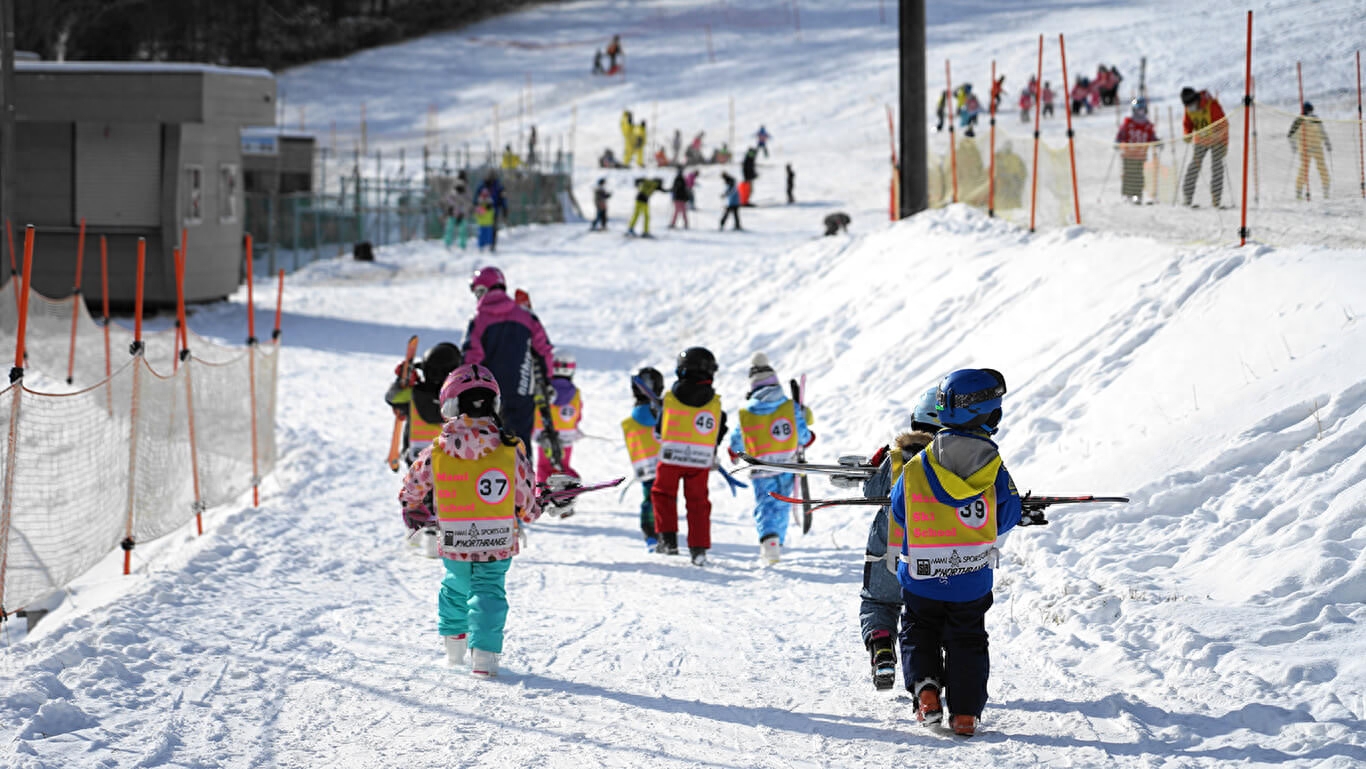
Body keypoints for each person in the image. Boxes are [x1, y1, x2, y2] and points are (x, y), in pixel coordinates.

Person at [892, 368, 1023, 737]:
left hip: (921, 578)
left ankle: (926, 690)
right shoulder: (994, 468)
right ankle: (965, 714)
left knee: (919, 631)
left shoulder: (917, 466)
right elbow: (1008, 515)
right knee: (967, 638)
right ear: (989, 416)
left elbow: (899, 510)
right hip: (970, 580)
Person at [398, 363, 542, 679]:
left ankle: (454, 647)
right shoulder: (510, 447)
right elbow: (526, 497)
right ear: (495, 403)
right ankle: (485, 657)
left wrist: (415, 510)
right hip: (497, 539)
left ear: (449, 405)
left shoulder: (435, 451)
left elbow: (411, 488)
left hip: (455, 539)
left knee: (455, 586)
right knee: (489, 590)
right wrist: (532, 511)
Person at [859, 388, 941, 691]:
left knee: (878, 602)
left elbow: (871, 493)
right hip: (938, 553)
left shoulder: (895, 458)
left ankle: (881, 649)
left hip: (890, 549)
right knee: (931, 614)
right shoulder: (957, 462)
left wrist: (875, 465)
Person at [726, 353, 813, 564]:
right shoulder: (789, 407)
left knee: (765, 505)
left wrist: (733, 452)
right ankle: (778, 541)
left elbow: (738, 439)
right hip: (787, 463)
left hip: (760, 467)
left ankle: (769, 541)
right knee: (783, 504)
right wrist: (809, 438)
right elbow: (802, 435)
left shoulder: (745, 412)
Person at [461, 266, 555, 450]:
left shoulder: (479, 320)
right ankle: (523, 476)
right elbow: (544, 351)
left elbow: (471, 359)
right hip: (522, 391)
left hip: (489, 396)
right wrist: (548, 380)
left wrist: (465, 390)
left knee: (489, 446)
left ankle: (492, 477)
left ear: (482, 290)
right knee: (520, 443)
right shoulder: (526, 317)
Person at [385, 342, 464, 557]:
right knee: (443, 494)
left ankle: (415, 528)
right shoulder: (457, 396)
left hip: (415, 452)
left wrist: (401, 382)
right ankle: (433, 535)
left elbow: (392, 399)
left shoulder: (412, 393)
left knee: (418, 490)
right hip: (447, 453)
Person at [652, 346, 726, 566]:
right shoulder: (715, 404)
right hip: (700, 461)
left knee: (663, 494)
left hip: (670, 459)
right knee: (698, 503)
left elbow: (658, 431)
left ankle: (668, 540)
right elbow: (719, 430)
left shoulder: (669, 399)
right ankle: (699, 548)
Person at [622, 367, 665, 550]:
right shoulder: (663, 413)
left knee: (649, 497)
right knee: (665, 497)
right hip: (665, 462)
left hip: (645, 465)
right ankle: (664, 532)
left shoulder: (633, 418)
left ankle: (650, 533)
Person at [533, 353, 582, 485]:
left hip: (543, 432)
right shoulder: (576, 393)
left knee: (544, 467)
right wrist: (575, 428)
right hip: (566, 435)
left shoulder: (543, 389)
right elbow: (578, 415)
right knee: (562, 465)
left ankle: (543, 495)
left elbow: (534, 408)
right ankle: (566, 490)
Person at [1180, 86, 1229, 207]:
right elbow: (1188, 124)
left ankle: (1216, 200)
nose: (1190, 107)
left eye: (1191, 104)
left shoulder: (1211, 105)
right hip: (1201, 140)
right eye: (1187, 105)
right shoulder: (1188, 108)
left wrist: (1222, 142)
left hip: (1218, 140)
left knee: (1217, 168)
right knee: (1193, 167)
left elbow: (1223, 124)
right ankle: (1187, 197)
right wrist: (1187, 134)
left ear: (1196, 100)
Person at [1115, 97, 1158, 203]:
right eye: (1138, 110)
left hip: (1140, 155)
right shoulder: (1128, 123)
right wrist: (1118, 141)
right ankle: (1127, 194)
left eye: (1142, 110)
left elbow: (1151, 136)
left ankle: (1137, 195)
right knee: (1128, 174)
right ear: (1134, 110)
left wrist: (1157, 142)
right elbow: (1121, 134)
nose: (1140, 113)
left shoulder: (1147, 125)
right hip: (1128, 154)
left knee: (1138, 176)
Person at [1288, 102, 1332, 200]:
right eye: (1308, 111)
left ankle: (1326, 190)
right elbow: (1290, 135)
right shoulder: (1299, 120)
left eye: (1310, 111)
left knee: (1322, 168)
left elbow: (1322, 131)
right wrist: (1294, 146)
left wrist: (1327, 142)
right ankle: (1299, 192)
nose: (1310, 113)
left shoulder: (1315, 119)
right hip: (1305, 149)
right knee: (1304, 169)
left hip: (1317, 147)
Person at [475, 172, 508, 251]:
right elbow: (476, 197)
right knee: (482, 229)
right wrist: (477, 205)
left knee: (493, 228)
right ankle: (482, 244)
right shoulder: (482, 185)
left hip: (493, 210)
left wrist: (505, 209)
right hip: (483, 211)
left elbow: (503, 198)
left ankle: (491, 245)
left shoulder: (499, 186)